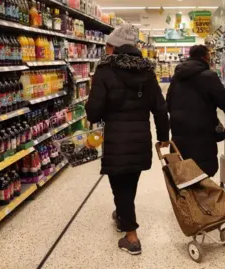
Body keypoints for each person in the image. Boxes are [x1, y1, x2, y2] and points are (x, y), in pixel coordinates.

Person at [85, 23, 170, 255]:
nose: (106, 50)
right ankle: (122, 215)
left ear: (115, 48)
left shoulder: (104, 71)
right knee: (128, 182)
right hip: (140, 138)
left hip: (116, 139)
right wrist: (164, 137)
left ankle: (131, 236)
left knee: (119, 184)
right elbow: (160, 109)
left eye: (108, 46)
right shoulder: (147, 72)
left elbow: (93, 112)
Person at [166, 45, 225, 177]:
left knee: (183, 161)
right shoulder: (209, 76)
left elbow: (168, 100)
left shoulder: (177, 76)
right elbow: (223, 99)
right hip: (203, 127)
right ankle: (202, 192)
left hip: (180, 127)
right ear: (204, 57)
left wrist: (177, 115)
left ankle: (188, 192)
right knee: (203, 163)